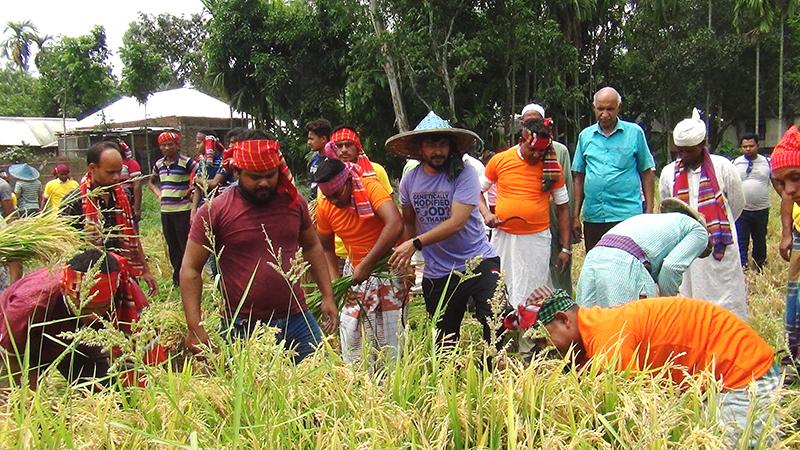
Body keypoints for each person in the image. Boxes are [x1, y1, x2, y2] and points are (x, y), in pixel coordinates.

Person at [529, 291, 780, 446]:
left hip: (744, 376)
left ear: (564, 319)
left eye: (544, 340)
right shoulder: (590, 334)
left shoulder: (607, 339)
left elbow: (627, 420)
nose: (544, 351)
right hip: (712, 384)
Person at [180, 129, 338, 363]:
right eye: (255, 177)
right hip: (242, 326)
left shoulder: (294, 203)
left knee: (320, 377)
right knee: (252, 386)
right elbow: (191, 269)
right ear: (237, 171)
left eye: (270, 175)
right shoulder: (215, 211)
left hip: (297, 319)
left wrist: (327, 295)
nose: (264, 183)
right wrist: (194, 326)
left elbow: (312, 247)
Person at [388, 112, 500, 345]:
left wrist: (415, 244)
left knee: (496, 321)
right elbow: (408, 222)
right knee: (443, 340)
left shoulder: (464, 174)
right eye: (431, 144)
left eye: (442, 144)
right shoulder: (410, 181)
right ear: (420, 149)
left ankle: (494, 365)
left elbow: (457, 222)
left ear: (451, 147)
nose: (438, 151)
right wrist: (407, 263)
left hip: (477, 260)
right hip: (438, 270)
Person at [0, 249, 159, 389]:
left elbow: (142, 348)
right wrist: (33, 399)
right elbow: (11, 356)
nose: (94, 316)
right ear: (64, 290)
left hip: (82, 344)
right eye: (87, 309)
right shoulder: (30, 304)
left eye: (103, 307)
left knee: (111, 393)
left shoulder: (125, 294)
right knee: (16, 402)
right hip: (23, 345)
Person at [315, 158, 409, 361]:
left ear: (349, 181)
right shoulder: (324, 207)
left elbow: (395, 224)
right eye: (328, 196)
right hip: (354, 274)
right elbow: (326, 247)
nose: (333, 201)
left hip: (387, 268)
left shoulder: (370, 187)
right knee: (352, 334)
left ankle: (391, 377)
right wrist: (335, 282)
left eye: (337, 194)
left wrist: (367, 263)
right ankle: (358, 377)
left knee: (389, 339)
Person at [658, 108, 747, 321]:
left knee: (725, 301)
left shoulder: (723, 167)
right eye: (680, 151)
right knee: (690, 300)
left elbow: (737, 204)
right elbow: (667, 206)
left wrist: (715, 230)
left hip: (719, 247)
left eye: (689, 151)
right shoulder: (669, 172)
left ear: (702, 144)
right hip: (686, 248)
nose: (684, 156)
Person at [480, 118, 571, 309]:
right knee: (501, 284)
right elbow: (476, 191)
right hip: (504, 238)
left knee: (534, 289)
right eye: (532, 149)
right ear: (521, 141)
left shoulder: (552, 168)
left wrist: (565, 248)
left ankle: (530, 325)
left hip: (536, 239)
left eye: (541, 151)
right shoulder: (500, 160)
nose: (537, 155)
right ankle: (504, 322)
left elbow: (563, 208)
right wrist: (487, 214)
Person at [61, 141, 159, 296]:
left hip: (123, 273)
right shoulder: (74, 201)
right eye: (110, 173)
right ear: (93, 168)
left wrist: (145, 269)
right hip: (90, 280)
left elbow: (132, 235)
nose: (116, 177)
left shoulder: (123, 196)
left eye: (119, 172)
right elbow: (65, 247)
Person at [576, 198, 710, 308]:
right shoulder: (698, 231)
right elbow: (671, 268)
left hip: (594, 256)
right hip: (623, 265)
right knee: (625, 328)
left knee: (588, 325)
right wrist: (668, 305)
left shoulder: (655, 221)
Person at [572, 87, 656, 251]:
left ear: (619, 108)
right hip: (594, 217)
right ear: (594, 108)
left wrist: (649, 211)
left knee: (628, 260)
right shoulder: (585, 136)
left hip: (627, 215)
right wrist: (575, 216)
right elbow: (579, 178)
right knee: (596, 261)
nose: (605, 114)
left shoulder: (634, 133)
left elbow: (647, 172)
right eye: (600, 109)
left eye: (610, 109)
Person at [520, 103, 576, 296]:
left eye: (535, 121)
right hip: (529, 224)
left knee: (558, 265)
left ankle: (562, 303)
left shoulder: (559, 151)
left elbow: (567, 190)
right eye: (527, 122)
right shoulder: (517, 152)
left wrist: (571, 223)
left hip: (555, 217)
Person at [767, 125, 800, 373]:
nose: (788, 190)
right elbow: (788, 200)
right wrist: (787, 232)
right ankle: (793, 355)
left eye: (796, 177)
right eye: (781, 182)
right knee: (796, 299)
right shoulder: (792, 194)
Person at [148, 131, 198, 286]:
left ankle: (187, 276)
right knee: (172, 245)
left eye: (170, 144)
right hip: (166, 212)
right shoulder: (159, 164)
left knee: (184, 244)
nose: (167, 148)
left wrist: (191, 188)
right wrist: (159, 194)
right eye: (163, 145)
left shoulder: (186, 162)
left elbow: (201, 175)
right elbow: (151, 182)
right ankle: (177, 279)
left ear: (177, 145)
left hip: (183, 211)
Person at [733, 133, 778, 271]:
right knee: (741, 239)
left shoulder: (767, 162)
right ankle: (741, 265)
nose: (748, 149)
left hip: (761, 208)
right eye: (745, 146)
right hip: (741, 209)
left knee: (759, 238)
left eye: (751, 146)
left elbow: (776, 181)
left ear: (757, 146)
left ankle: (759, 264)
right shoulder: (735, 163)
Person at [104, 135, 143, 225]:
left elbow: (137, 185)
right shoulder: (103, 167)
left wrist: (136, 209)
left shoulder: (130, 163)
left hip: (127, 204)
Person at [306, 119, 332, 201]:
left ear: (323, 139)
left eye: (311, 139)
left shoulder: (333, 161)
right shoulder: (314, 159)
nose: (309, 142)